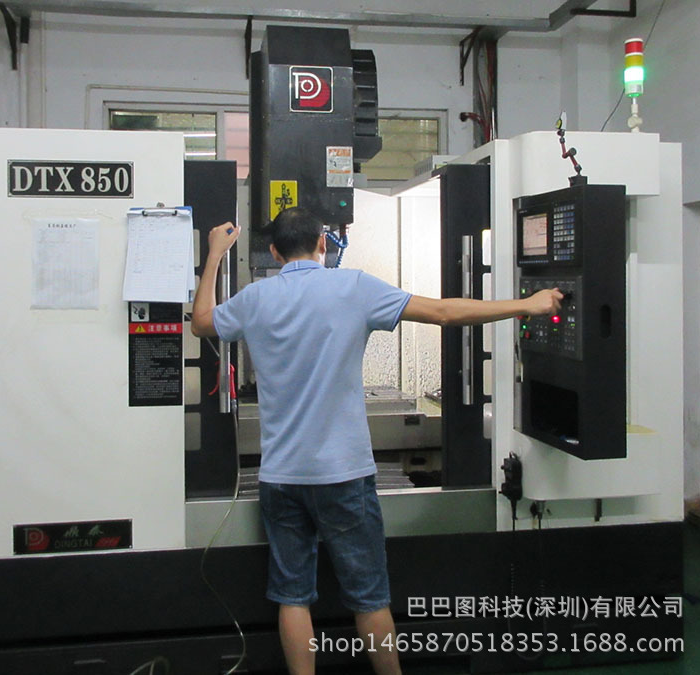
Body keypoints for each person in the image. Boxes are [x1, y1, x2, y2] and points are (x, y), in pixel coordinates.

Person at [191, 207, 562, 675]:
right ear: (323, 243)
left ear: (274, 252)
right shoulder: (354, 287)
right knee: (369, 598)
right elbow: (445, 312)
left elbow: (201, 322)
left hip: (281, 478)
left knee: (292, 596)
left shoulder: (255, 298)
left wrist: (215, 254)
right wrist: (528, 305)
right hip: (344, 475)